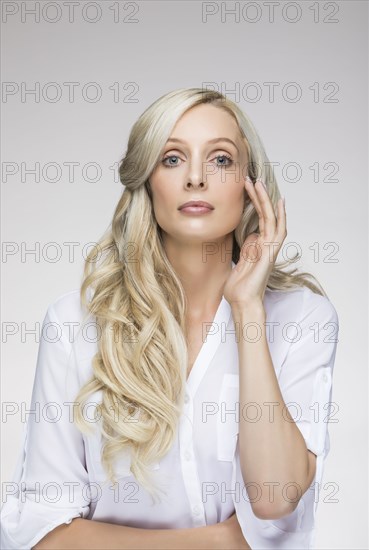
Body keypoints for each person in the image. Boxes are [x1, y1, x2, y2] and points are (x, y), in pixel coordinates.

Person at [1, 88, 339, 549]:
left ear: (250, 184)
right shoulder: (73, 324)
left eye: (221, 160)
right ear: (147, 179)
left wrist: (247, 309)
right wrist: (220, 542)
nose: (196, 178)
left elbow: (274, 499)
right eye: (172, 158)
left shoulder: (305, 318)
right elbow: (41, 534)